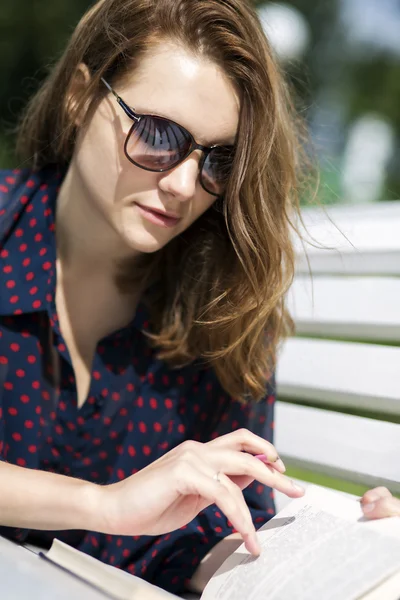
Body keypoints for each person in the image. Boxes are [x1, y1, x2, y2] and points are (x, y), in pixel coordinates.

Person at [0, 0, 392, 596]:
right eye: (158, 135)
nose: (184, 185)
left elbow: (206, 535)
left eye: (219, 159)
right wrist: (103, 505)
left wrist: (351, 558)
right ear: (81, 97)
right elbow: (123, 514)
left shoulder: (226, 309)